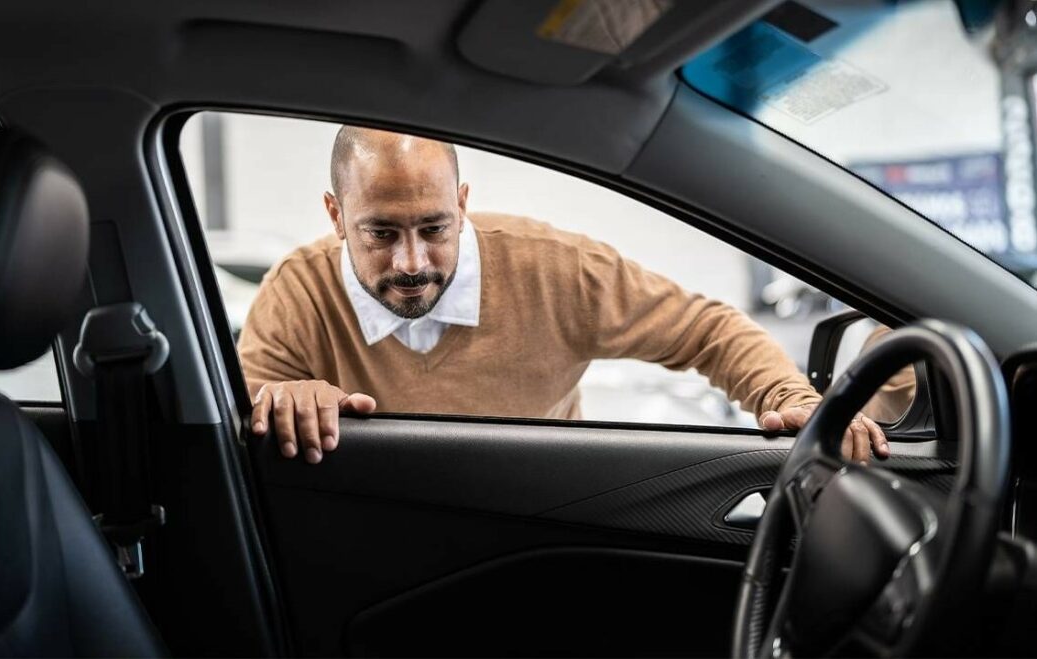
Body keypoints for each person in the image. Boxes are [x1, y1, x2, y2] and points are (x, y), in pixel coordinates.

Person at [237, 127, 890, 465]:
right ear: (334, 213)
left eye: (434, 228)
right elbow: (237, 408)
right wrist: (277, 398)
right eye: (380, 232)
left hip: (537, 522)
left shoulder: (555, 270)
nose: (411, 262)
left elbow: (707, 329)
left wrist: (791, 399)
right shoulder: (298, 290)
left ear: (462, 205)